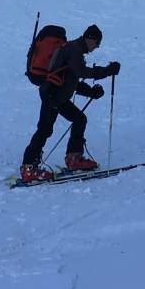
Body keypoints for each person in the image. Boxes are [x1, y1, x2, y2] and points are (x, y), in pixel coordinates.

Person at [21, 24, 120, 182]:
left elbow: (70, 80)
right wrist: (107, 71)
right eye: (97, 43)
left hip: (57, 96)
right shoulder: (74, 49)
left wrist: (90, 92)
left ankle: (74, 159)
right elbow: (81, 72)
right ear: (90, 39)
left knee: (79, 119)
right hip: (52, 95)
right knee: (44, 130)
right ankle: (29, 168)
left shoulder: (74, 50)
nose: (97, 47)